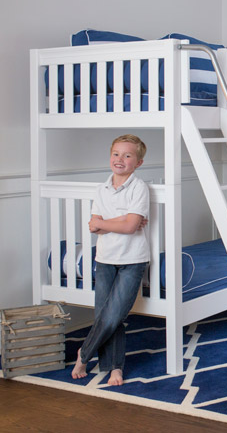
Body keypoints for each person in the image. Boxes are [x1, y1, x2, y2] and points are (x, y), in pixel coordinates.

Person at [71, 134, 150, 386]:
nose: (120, 159)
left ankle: (84, 353)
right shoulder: (101, 188)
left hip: (133, 259)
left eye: (128, 156)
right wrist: (123, 220)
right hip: (104, 258)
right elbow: (96, 227)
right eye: (116, 154)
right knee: (105, 314)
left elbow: (129, 227)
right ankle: (114, 366)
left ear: (138, 162)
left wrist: (114, 222)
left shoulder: (139, 187)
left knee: (115, 313)